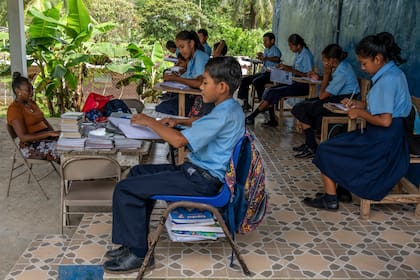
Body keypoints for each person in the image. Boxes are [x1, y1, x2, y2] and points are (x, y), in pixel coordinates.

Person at [103, 56, 245, 274]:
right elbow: (204, 124)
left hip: (202, 181)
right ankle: (132, 242)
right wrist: (180, 121)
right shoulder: (230, 108)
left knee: (125, 189)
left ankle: (140, 255)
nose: (201, 87)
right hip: (200, 174)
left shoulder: (223, 113)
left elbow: (179, 142)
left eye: (205, 82)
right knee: (137, 172)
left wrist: (149, 122)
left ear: (222, 87)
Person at [303, 32, 412, 210]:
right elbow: (378, 107)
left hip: (384, 140)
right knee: (340, 141)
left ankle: (330, 199)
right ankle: (343, 190)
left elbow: (385, 121)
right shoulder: (392, 73)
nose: (362, 67)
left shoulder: (387, 80)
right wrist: (357, 104)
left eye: (364, 63)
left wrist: (359, 113)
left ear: (377, 59)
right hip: (388, 135)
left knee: (326, 148)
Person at [291, 44, 360, 158]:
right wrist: (322, 77)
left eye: (324, 60)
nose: (323, 62)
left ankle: (312, 146)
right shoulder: (342, 66)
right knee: (305, 104)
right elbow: (330, 87)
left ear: (332, 60)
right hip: (338, 98)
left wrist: (326, 75)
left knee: (300, 108)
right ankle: (309, 143)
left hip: (343, 102)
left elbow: (322, 96)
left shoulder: (342, 71)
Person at [245, 34, 313, 127]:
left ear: (298, 45)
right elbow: (294, 68)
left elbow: (308, 75)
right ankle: (270, 119)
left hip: (302, 86)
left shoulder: (306, 55)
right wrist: (284, 67)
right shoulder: (299, 54)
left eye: (291, 46)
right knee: (270, 91)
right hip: (293, 82)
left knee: (273, 92)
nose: (290, 48)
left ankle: (253, 117)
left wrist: (290, 70)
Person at [7, 72, 60, 163]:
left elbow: (43, 119)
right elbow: (23, 137)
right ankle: (73, 175)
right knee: (62, 151)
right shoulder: (14, 109)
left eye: (32, 89)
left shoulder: (31, 103)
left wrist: (54, 133)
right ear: (18, 91)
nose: (32, 92)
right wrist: (49, 134)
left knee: (71, 143)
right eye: (28, 90)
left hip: (44, 139)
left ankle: (79, 172)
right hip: (31, 145)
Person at [156, 30, 209, 116]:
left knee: (162, 108)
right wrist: (176, 76)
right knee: (163, 106)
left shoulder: (200, 57)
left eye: (182, 47)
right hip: (189, 97)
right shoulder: (192, 60)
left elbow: (200, 83)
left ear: (191, 44)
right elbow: (190, 77)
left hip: (197, 101)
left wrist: (176, 78)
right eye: (178, 48)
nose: (180, 51)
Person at [237, 32, 282, 111]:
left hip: (272, 74)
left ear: (272, 41)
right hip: (264, 72)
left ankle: (264, 104)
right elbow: (265, 59)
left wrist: (266, 58)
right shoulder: (266, 50)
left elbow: (277, 59)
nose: (264, 43)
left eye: (266, 41)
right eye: (263, 41)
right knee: (245, 80)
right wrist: (261, 58)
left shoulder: (275, 49)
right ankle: (245, 103)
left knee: (256, 81)